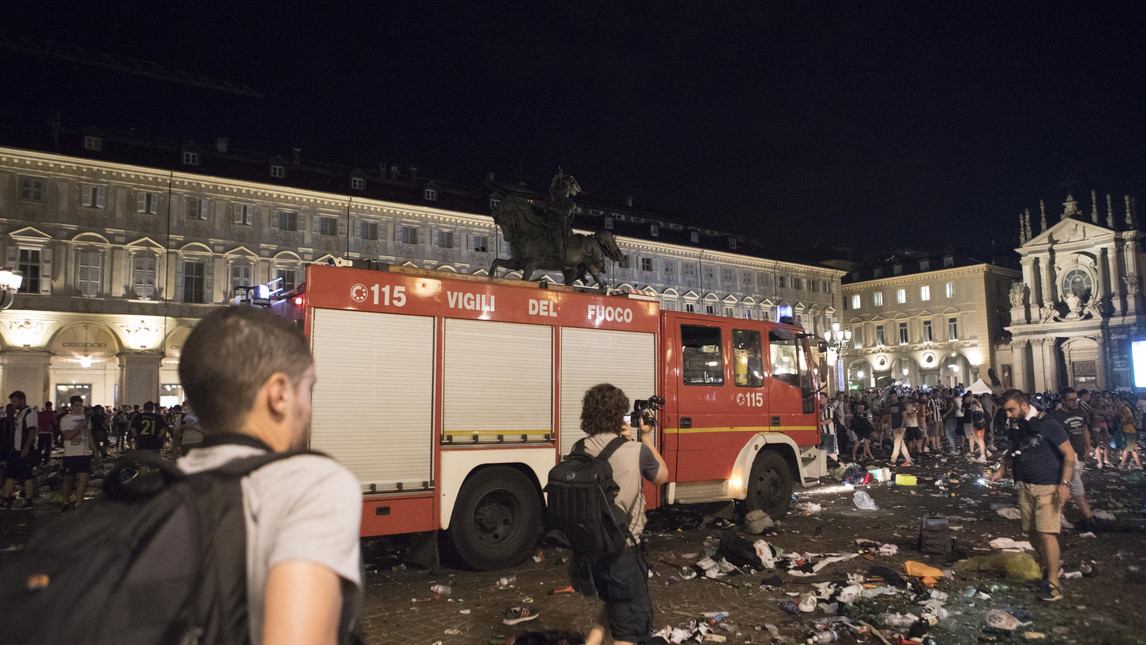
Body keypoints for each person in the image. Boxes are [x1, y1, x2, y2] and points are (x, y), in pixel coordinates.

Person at [175, 305, 363, 644]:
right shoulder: (311, 486)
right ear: (279, 394)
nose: (309, 406)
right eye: (308, 387)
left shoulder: (153, 491)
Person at [568, 383, 668, 645]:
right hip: (622, 555)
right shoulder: (635, 451)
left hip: (588, 554)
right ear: (620, 416)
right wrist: (644, 437)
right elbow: (662, 476)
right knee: (630, 631)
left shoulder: (578, 448)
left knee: (613, 607)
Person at [989, 389, 1076, 602]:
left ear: (1023, 405)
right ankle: (1052, 565)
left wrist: (1065, 483)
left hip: (1049, 485)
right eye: (1006, 411)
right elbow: (1012, 450)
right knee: (1032, 533)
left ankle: (1053, 582)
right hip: (1025, 486)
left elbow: (1069, 452)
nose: (1008, 414)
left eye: (1011, 410)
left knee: (1047, 533)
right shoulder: (1017, 426)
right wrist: (1002, 469)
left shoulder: (1049, 424)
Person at [1051, 388, 1096, 531]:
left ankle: (1058, 515)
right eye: (1070, 400)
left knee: (1067, 488)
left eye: (1075, 399)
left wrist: (1088, 447)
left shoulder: (1081, 413)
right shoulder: (1056, 417)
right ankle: (1090, 519)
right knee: (1076, 487)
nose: (1074, 402)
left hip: (1080, 455)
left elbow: (1084, 429)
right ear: (1063, 401)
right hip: (1066, 458)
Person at [1, 391, 39, 510]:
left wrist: (26, 448)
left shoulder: (30, 413)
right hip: (17, 449)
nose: (13, 404)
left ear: (22, 400)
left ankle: (28, 500)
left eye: (15, 401)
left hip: (24, 449)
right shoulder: (20, 413)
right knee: (9, 474)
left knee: (26, 475)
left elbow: (32, 431)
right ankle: (7, 499)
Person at [59, 395, 95, 511]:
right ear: (71, 406)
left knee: (83, 479)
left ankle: (79, 503)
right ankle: (66, 502)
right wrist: (80, 425)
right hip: (70, 453)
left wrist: (95, 450)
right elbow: (68, 436)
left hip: (84, 453)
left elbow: (89, 436)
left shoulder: (86, 419)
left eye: (81, 405)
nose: (79, 408)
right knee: (68, 479)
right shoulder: (65, 419)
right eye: (76, 405)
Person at [1117, 396, 1143, 470]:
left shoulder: (1125, 409)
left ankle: (1122, 464)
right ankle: (1138, 464)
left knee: (1126, 449)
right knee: (1132, 449)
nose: (1117, 403)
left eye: (1118, 401)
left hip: (1130, 431)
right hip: (1128, 431)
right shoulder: (1121, 409)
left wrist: (1122, 425)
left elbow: (1131, 419)